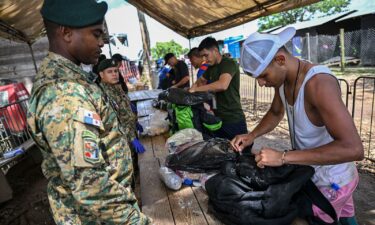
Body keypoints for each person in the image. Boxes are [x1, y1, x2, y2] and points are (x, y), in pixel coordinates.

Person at [27, 1, 151, 224]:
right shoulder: (64, 93)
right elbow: (90, 186)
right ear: (66, 33)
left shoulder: (74, 81)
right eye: (96, 34)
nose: (102, 42)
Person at [231, 27, 364, 224]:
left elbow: (353, 148)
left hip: (332, 181)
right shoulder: (283, 82)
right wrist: (252, 135)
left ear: (280, 60)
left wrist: (283, 157)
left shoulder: (318, 84)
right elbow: (276, 112)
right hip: (314, 170)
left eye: (264, 75)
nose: (260, 83)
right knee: (346, 218)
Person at [189, 37, 247, 140]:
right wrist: (191, 90)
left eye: (206, 55)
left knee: (242, 152)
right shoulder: (210, 68)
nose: (204, 60)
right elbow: (200, 81)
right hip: (218, 118)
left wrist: (196, 90)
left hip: (233, 118)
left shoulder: (229, 63)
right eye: (202, 57)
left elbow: (222, 85)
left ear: (215, 50)